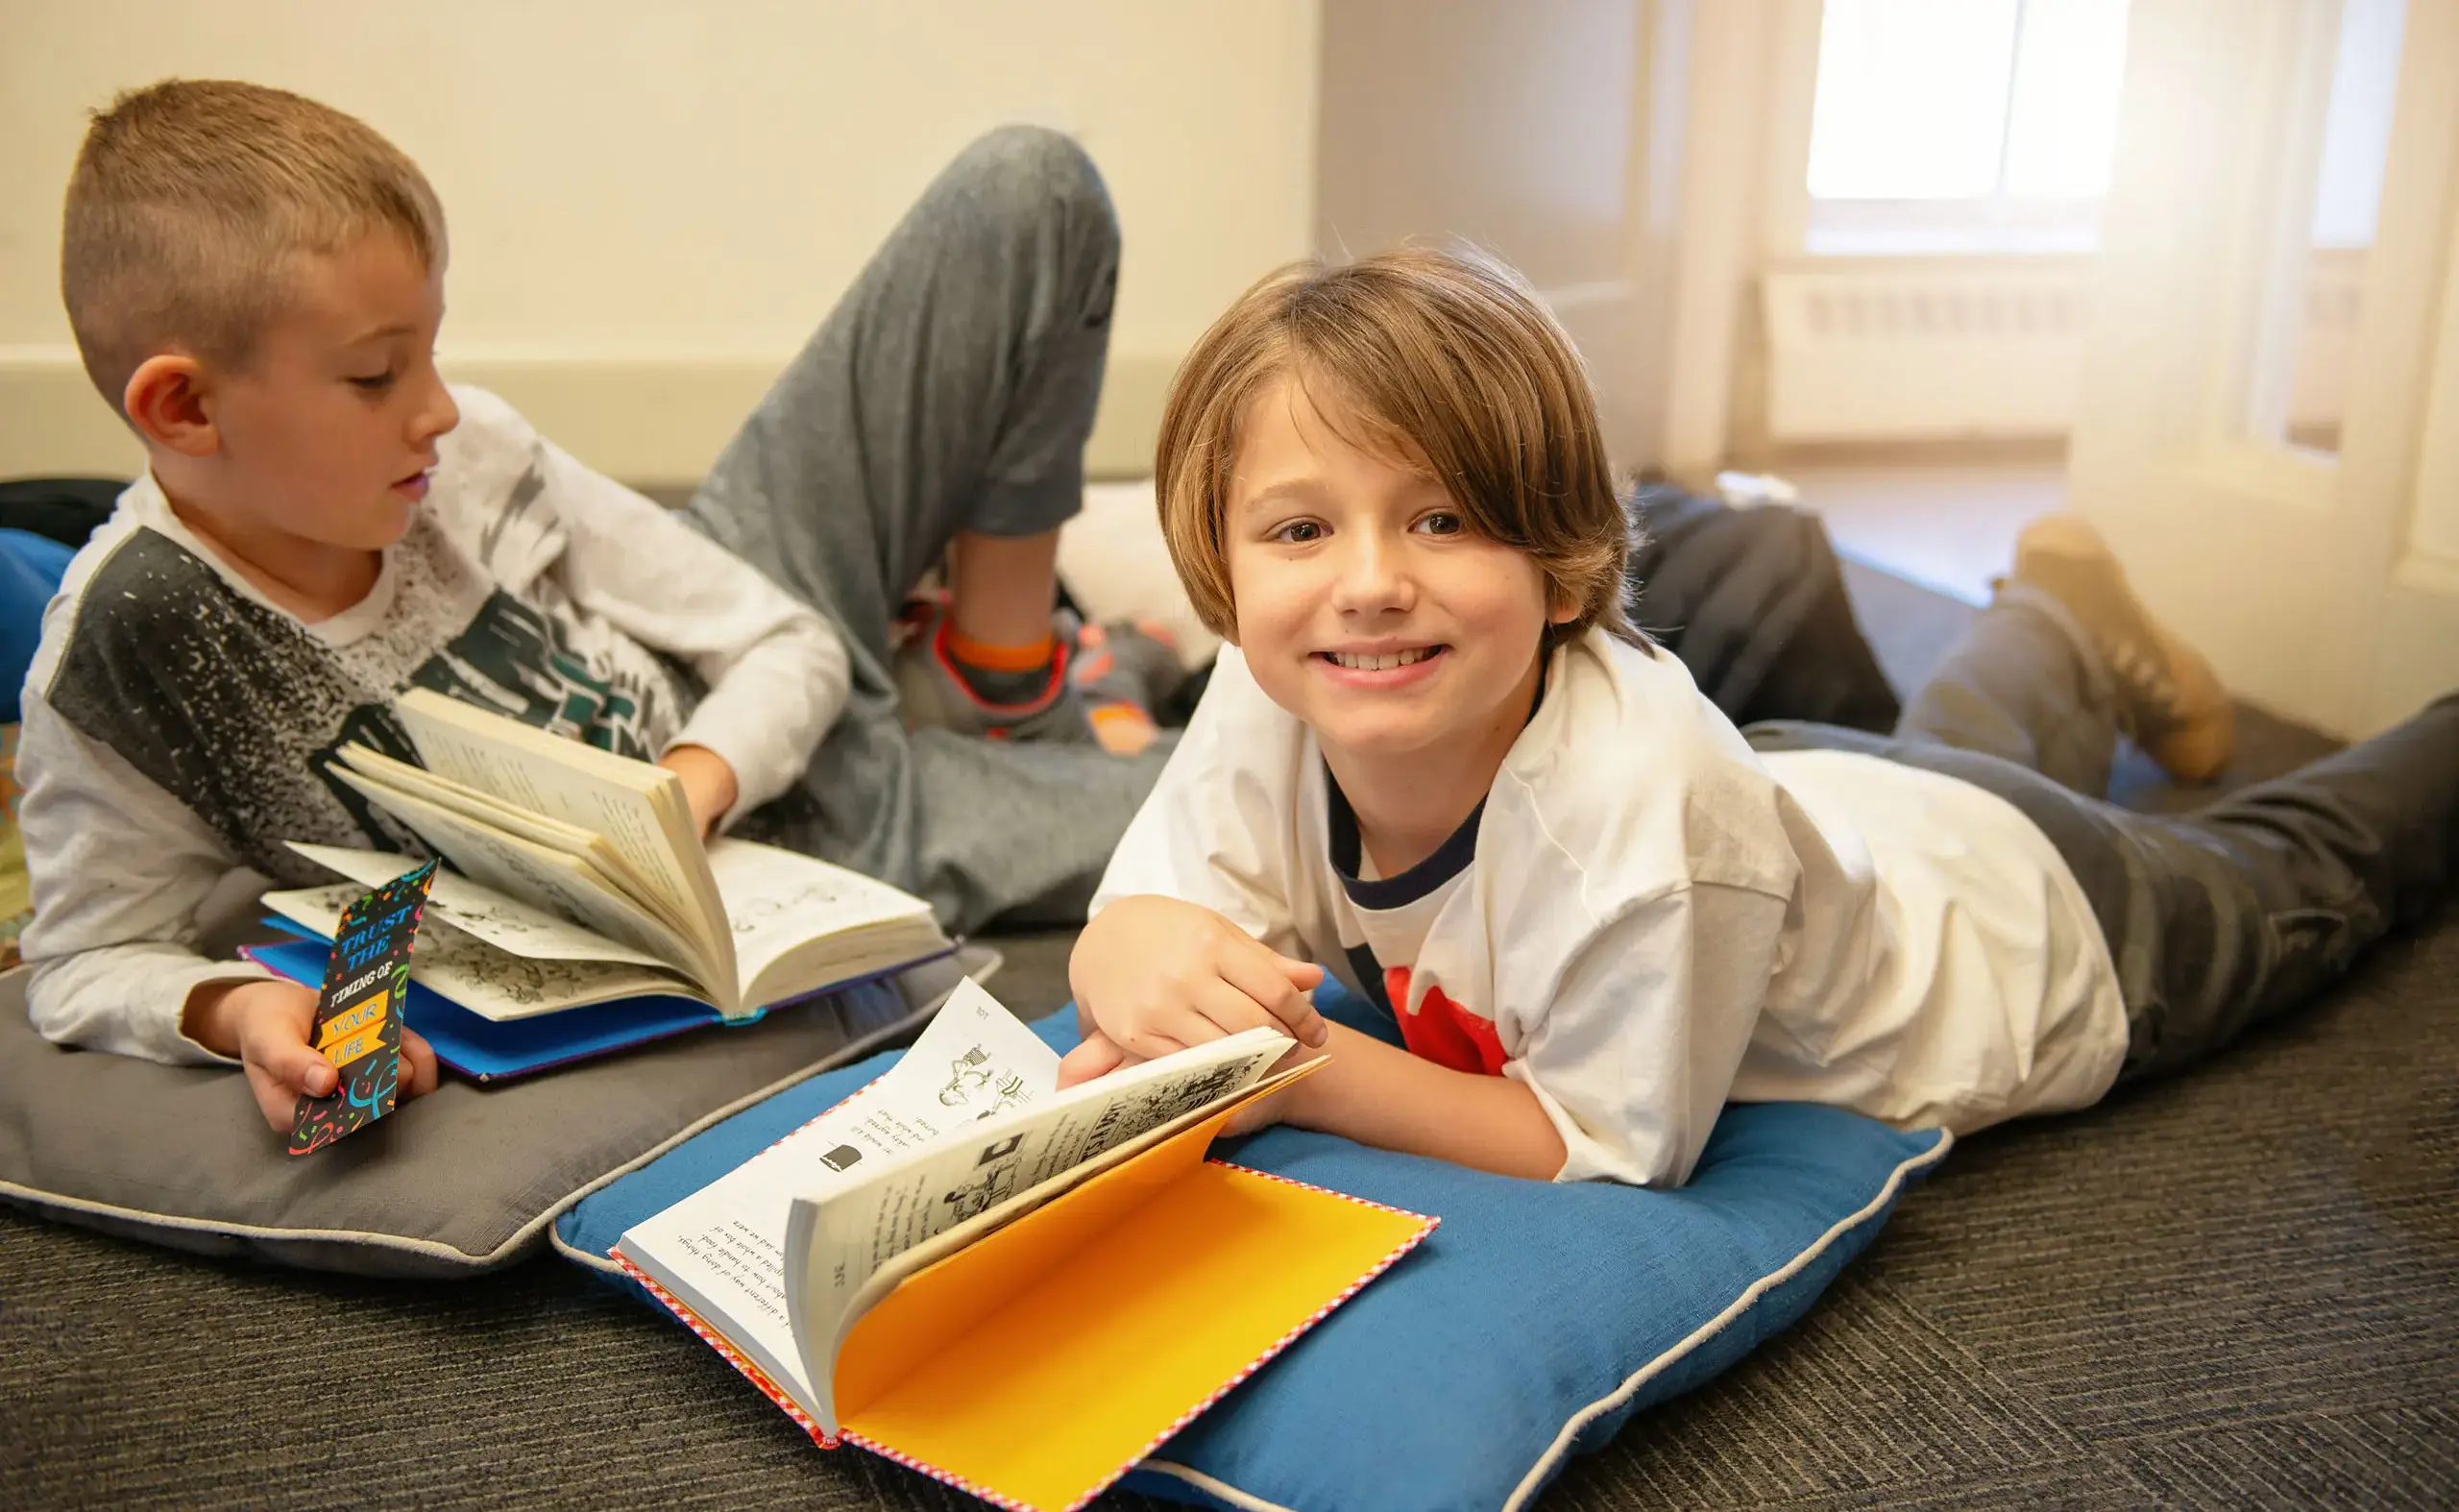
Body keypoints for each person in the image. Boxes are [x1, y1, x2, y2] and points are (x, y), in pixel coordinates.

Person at [1059, 246, 2458, 1186]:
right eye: (1300, 528)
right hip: (1830, 798)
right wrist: (1120, 951)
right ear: (1226, 576)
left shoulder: (1646, 817)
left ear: (1559, 564)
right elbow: (1158, 917)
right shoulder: (1272, 683)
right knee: (1952, 753)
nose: (1368, 584)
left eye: (1443, 517)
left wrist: (1305, 1074)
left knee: (2310, 861)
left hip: (2039, 933)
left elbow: (1589, 1140)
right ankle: (2059, 625)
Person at [18, 79, 1170, 1132]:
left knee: (1030, 183)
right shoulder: (131, 651)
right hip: (823, 844)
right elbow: (83, 954)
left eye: (431, 350)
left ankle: (1004, 680)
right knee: (1270, 813)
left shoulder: (461, 452)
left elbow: (783, 637)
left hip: (730, 666)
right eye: (377, 374)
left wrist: (688, 787)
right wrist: (236, 1010)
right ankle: (1021, 703)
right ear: (183, 410)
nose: (436, 410)